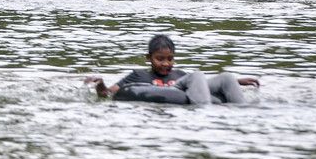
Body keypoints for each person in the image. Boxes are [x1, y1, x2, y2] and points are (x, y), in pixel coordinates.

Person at [86, 34, 258, 105]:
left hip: (185, 88)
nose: (166, 64)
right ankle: (206, 113)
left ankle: (243, 111)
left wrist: (237, 82)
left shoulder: (179, 74)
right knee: (196, 75)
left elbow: (201, 88)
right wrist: (100, 84)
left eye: (170, 59)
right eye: (160, 59)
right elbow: (108, 94)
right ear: (149, 58)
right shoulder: (138, 75)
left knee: (226, 76)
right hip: (172, 93)